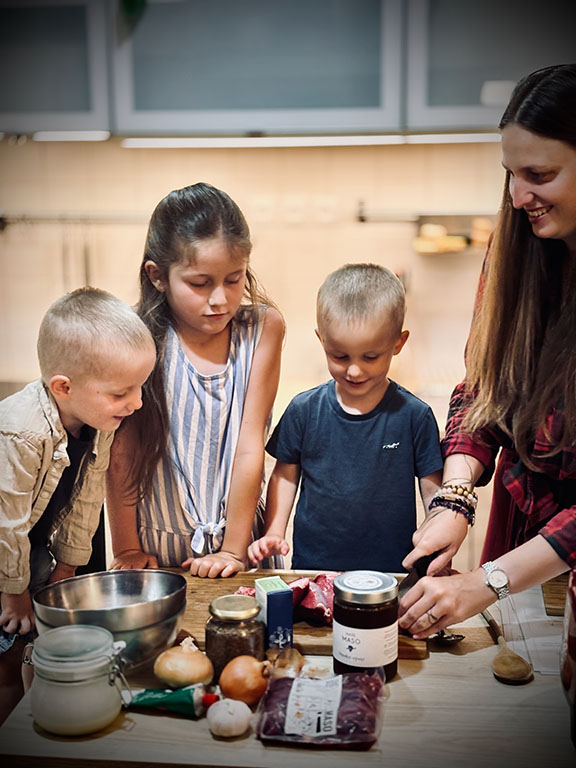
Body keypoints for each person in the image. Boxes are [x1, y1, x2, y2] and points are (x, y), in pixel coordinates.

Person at [398, 64, 576, 645]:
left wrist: (483, 583)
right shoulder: (518, 252)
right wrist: (454, 499)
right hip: (518, 543)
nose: (518, 196)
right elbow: (483, 390)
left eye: (540, 173)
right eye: (510, 173)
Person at [106, 182, 284, 579]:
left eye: (234, 279)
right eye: (200, 283)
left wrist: (234, 551)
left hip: (241, 544)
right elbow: (123, 454)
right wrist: (127, 547)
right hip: (155, 548)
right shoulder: (137, 335)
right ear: (157, 276)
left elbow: (249, 445)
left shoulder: (263, 329)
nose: (219, 299)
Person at [0, 287, 156, 724]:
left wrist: (66, 570)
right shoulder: (20, 435)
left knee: (37, 646)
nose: (137, 402)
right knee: (8, 652)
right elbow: (5, 526)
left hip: (28, 550)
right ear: (64, 387)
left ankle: (38, 717)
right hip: (6, 550)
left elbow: (88, 499)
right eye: (122, 392)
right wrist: (13, 596)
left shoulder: (98, 420)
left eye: (140, 387)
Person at [248, 263, 443, 573]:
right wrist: (273, 532)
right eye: (340, 356)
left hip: (393, 571)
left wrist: (436, 547)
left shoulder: (415, 416)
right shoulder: (303, 410)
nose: (354, 370)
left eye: (370, 356)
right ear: (322, 340)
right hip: (314, 568)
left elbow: (433, 490)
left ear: (398, 343)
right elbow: (285, 476)